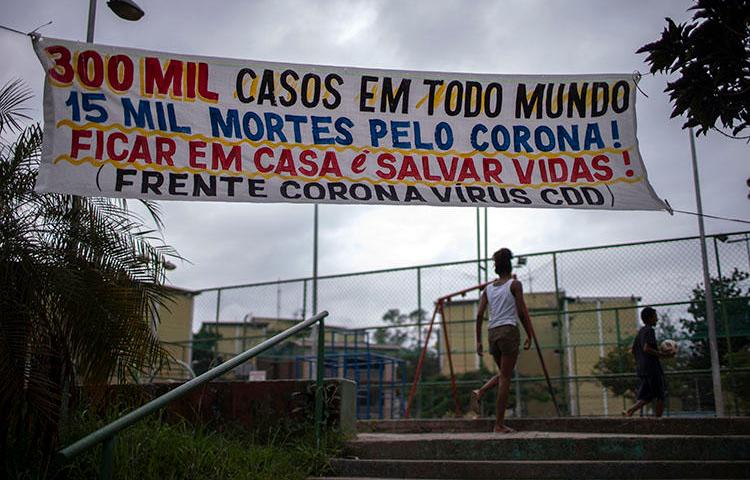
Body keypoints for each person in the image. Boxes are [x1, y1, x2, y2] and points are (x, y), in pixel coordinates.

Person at [473, 248, 533, 433]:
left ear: (496, 267)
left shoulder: (488, 289)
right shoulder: (515, 284)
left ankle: (481, 391)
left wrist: (478, 341)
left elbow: (480, 315)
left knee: (504, 373)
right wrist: (529, 334)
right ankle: (498, 424)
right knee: (506, 377)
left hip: (492, 334)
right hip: (508, 331)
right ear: (510, 265)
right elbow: (522, 311)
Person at [623, 307, 674, 417]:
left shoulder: (640, 331)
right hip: (652, 369)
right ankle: (658, 421)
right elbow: (646, 348)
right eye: (655, 317)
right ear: (650, 318)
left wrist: (641, 359)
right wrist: (664, 354)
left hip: (642, 369)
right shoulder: (650, 330)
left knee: (648, 396)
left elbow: (632, 350)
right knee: (661, 395)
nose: (657, 319)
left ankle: (630, 411)